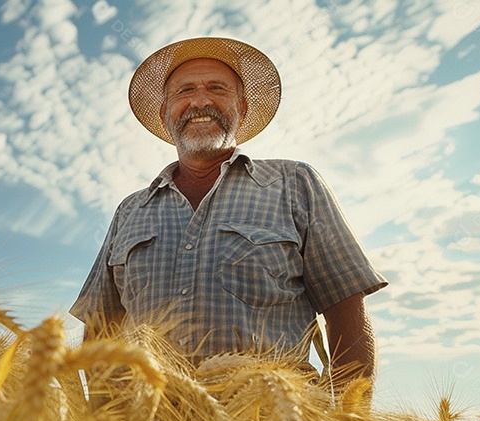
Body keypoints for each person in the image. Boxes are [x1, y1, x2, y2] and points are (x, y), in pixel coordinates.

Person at [70, 37, 387, 382]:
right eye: (184, 91)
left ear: (243, 108)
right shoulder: (130, 210)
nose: (201, 100)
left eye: (217, 89)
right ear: (165, 114)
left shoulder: (295, 183)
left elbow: (345, 313)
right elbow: (99, 330)